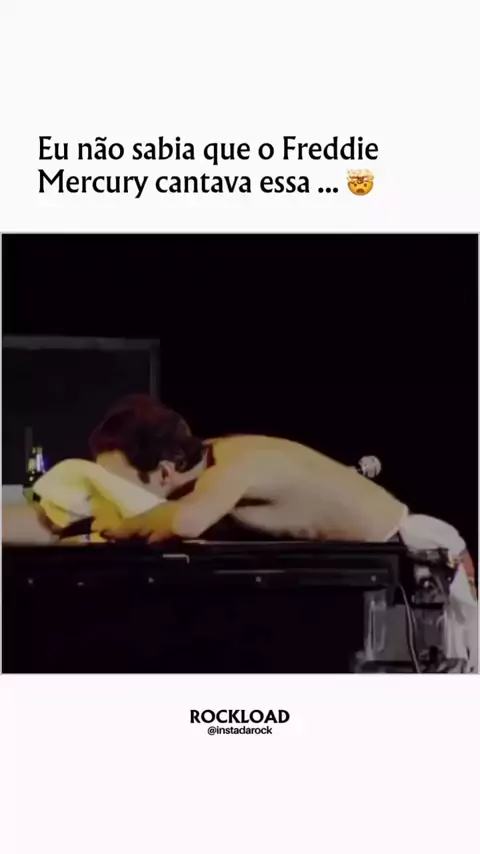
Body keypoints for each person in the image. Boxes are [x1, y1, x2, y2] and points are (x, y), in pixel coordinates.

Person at [89, 395, 477, 670]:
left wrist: (118, 528)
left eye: (120, 482)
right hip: (392, 569)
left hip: (417, 566)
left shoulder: (231, 469)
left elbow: (183, 523)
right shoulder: (214, 458)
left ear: (165, 470)